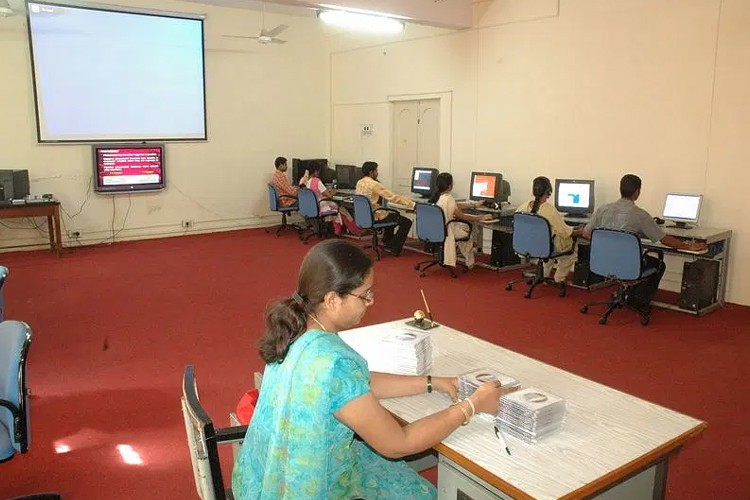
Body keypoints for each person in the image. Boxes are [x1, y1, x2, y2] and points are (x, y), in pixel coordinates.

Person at [232, 240, 505, 500]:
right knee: (421, 492)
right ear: (332, 300)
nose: (371, 301)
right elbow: (398, 443)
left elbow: (353, 386)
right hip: (307, 488)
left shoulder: (297, 328)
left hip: (264, 478)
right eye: (365, 295)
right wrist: (471, 406)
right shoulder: (333, 362)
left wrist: (434, 382)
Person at [582, 174, 707, 308]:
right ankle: (639, 301)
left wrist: (608, 243)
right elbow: (663, 239)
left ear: (621, 189)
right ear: (637, 192)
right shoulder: (641, 215)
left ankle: (628, 295)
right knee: (658, 264)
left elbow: (586, 233)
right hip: (628, 266)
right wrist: (687, 246)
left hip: (603, 263)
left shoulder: (602, 210)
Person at [516, 176, 581, 283]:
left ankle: (544, 276)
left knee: (549, 245)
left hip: (529, 245)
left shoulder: (523, 207)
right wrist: (581, 231)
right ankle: (558, 279)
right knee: (571, 251)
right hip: (544, 246)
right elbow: (565, 233)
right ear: (548, 191)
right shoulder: (548, 210)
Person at [428, 172, 493, 269]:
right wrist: (481, 218)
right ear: (450, 186)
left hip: (438, 230)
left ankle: (463, 253)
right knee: (469, 230)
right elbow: (463, 217)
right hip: (447, 231)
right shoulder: (448, 199)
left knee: (465, 227)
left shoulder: (438, 198)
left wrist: (474, 205)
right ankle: (470, 261)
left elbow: (456, 206)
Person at [355, 161, 415, 256]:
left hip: (365, 217)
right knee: (406, 222)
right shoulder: (374, 184)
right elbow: (392, 197)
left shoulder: (359, 182)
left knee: (391, 215)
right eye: (376, 171)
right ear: (371, 172)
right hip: (375, 217)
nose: (377, 173)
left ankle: (388, 242)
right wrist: (411, 204)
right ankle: (393, 247)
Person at [302, 161, 358, 236]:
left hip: (312, 207)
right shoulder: (317, 181)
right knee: (341, 209)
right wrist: (334, 192)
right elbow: (329, 195)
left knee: (336, 206)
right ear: (316, 171)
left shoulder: (307, 181)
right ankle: (352, 230)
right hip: (320, 206)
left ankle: (341, 230)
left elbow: (318, 192)